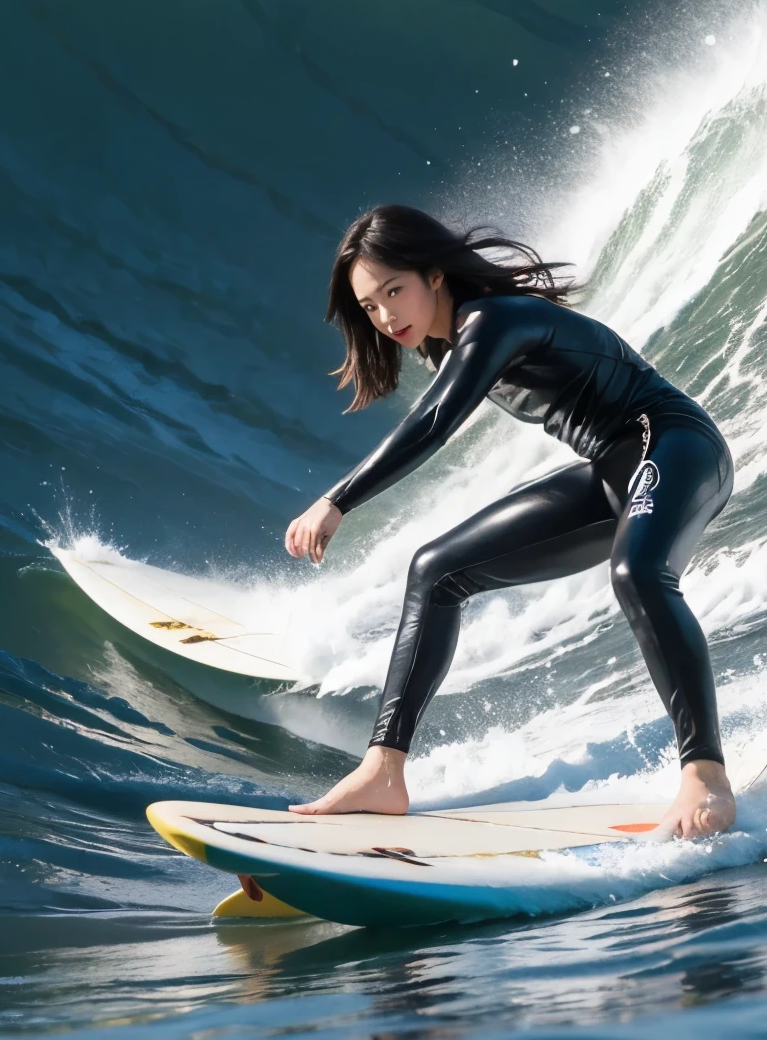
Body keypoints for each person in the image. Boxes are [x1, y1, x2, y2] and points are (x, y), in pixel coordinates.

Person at [283, 204, 739, 840]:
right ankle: (383, 770)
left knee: (637, 573)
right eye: (371, 307)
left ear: (434, 275)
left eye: (394, 291)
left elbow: (435, 421)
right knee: (436, 570)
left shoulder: (490, 322)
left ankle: (706, 777)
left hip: (676, 444)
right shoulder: (452, 338)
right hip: (615, 468)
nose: (386, 317)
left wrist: (336, 500)